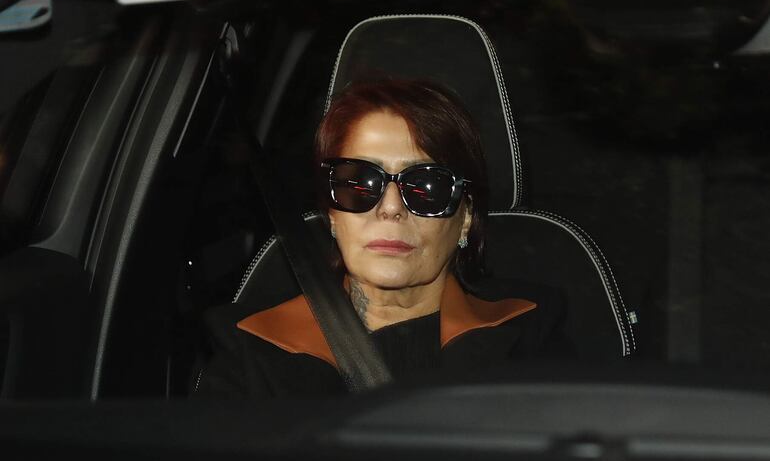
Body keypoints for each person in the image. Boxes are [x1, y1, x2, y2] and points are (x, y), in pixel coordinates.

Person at [195, 79, 571, 398]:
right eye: (359, 183)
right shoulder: (250, 353)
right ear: (332, 214)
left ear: (465, 218)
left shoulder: (531, 337)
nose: (390, 208)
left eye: (426, 187)